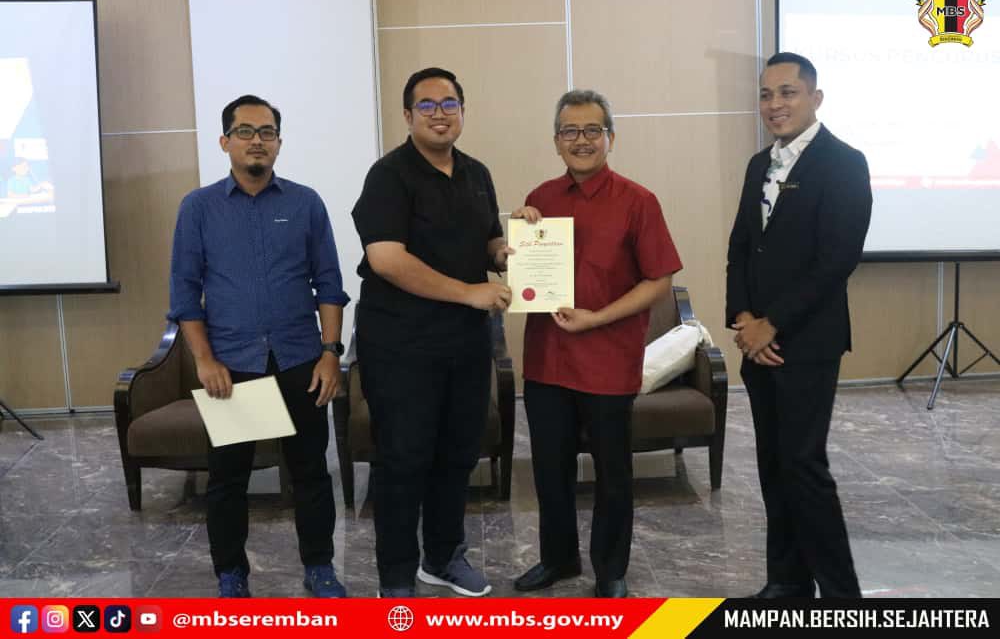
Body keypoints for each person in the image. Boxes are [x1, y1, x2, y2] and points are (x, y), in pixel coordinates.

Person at [168, 94, 349, 598]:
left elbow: (329, 284)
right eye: (245, 132)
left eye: (266, 132)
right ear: (225, 142)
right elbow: (184, 291)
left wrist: (330, 354)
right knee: (228, 480)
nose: (256, 141)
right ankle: (231, 574)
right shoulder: (199, 207)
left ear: (279, 143)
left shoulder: (305, 203)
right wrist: (204, 360)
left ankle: (320, 567)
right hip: (233, 364)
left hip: (300, 360)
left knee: (311, 473)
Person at [512, 90, 682, 598]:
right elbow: (522, 270)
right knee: (550, 469)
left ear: (611, 137)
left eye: (592, 130)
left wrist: (597, 319)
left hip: (608, 361)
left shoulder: (638, 201)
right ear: (556, 141)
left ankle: (610, 569)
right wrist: (518, 239)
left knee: (612, 473)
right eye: (570, 131)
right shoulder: (541, 198)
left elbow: (659, 281)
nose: (581, 140)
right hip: (547, 360)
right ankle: (558, 558)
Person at [351, 67, 512, 598]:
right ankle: (397, 575)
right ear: (407, 115)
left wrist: (506, 252)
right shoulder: (388, 176)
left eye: (449, 104)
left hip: (464, 343)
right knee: (403, 460)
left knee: (458, 454)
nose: (439, 114)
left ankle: (442, 558)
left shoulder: (476, 173)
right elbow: (387, 259)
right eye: (427, 105)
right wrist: (469, 292)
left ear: (463, 111)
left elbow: (488, 239)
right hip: (401, 345)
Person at [725, 52, 872, 598]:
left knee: (804, 465)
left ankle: (842, 596)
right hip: (756, 342)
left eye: (787, 92)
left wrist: (774, 324)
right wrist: (745, 319)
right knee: (772, 465)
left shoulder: (844, 163)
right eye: (766, 94)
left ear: (815, 98)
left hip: (807, 342)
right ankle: (787, 581)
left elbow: (837, 259)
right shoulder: (757, 165)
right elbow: (741, 249)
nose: (774, 104)